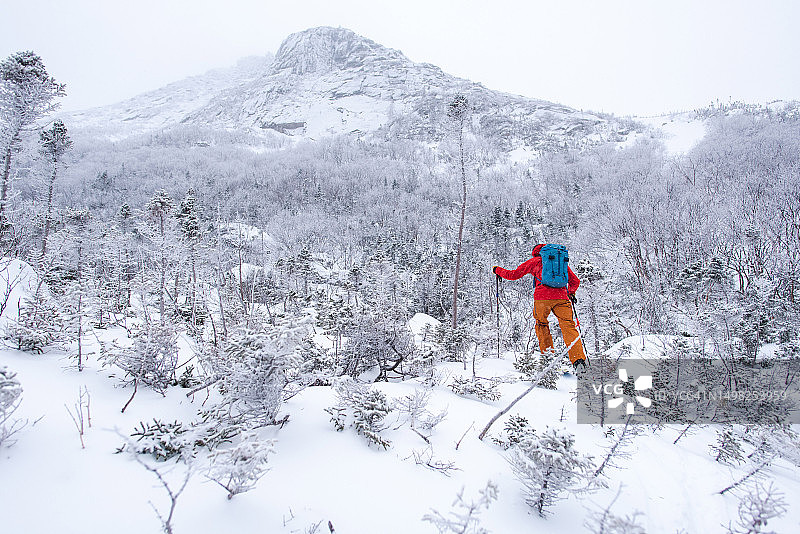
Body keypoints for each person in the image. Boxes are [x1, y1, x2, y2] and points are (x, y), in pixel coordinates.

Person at [493, 244, 587, 374]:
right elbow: (575, 281)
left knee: (542, 324)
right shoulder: (559, 262)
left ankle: (548, 359)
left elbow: (514, 275)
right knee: (569, 327)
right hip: (562, 298)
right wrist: (571, 292)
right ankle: (579, 361)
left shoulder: (535, 261)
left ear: (535, 253)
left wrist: (497, 270)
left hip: (542, 298)